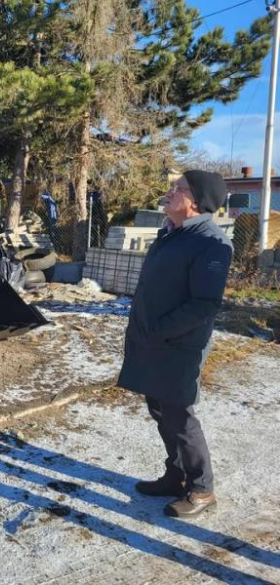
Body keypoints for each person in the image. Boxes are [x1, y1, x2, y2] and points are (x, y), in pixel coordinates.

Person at [118, 170, 232, 519]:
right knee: (159, 410)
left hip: (179, 345)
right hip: (152, 340)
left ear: (196, 200)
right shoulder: (171, 234)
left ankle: (201, 488)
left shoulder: (211, 243)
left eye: (178, 188)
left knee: (180, 416)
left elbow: (204, 304)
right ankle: (176, 474)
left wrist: (160, 330)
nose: (169, 192)